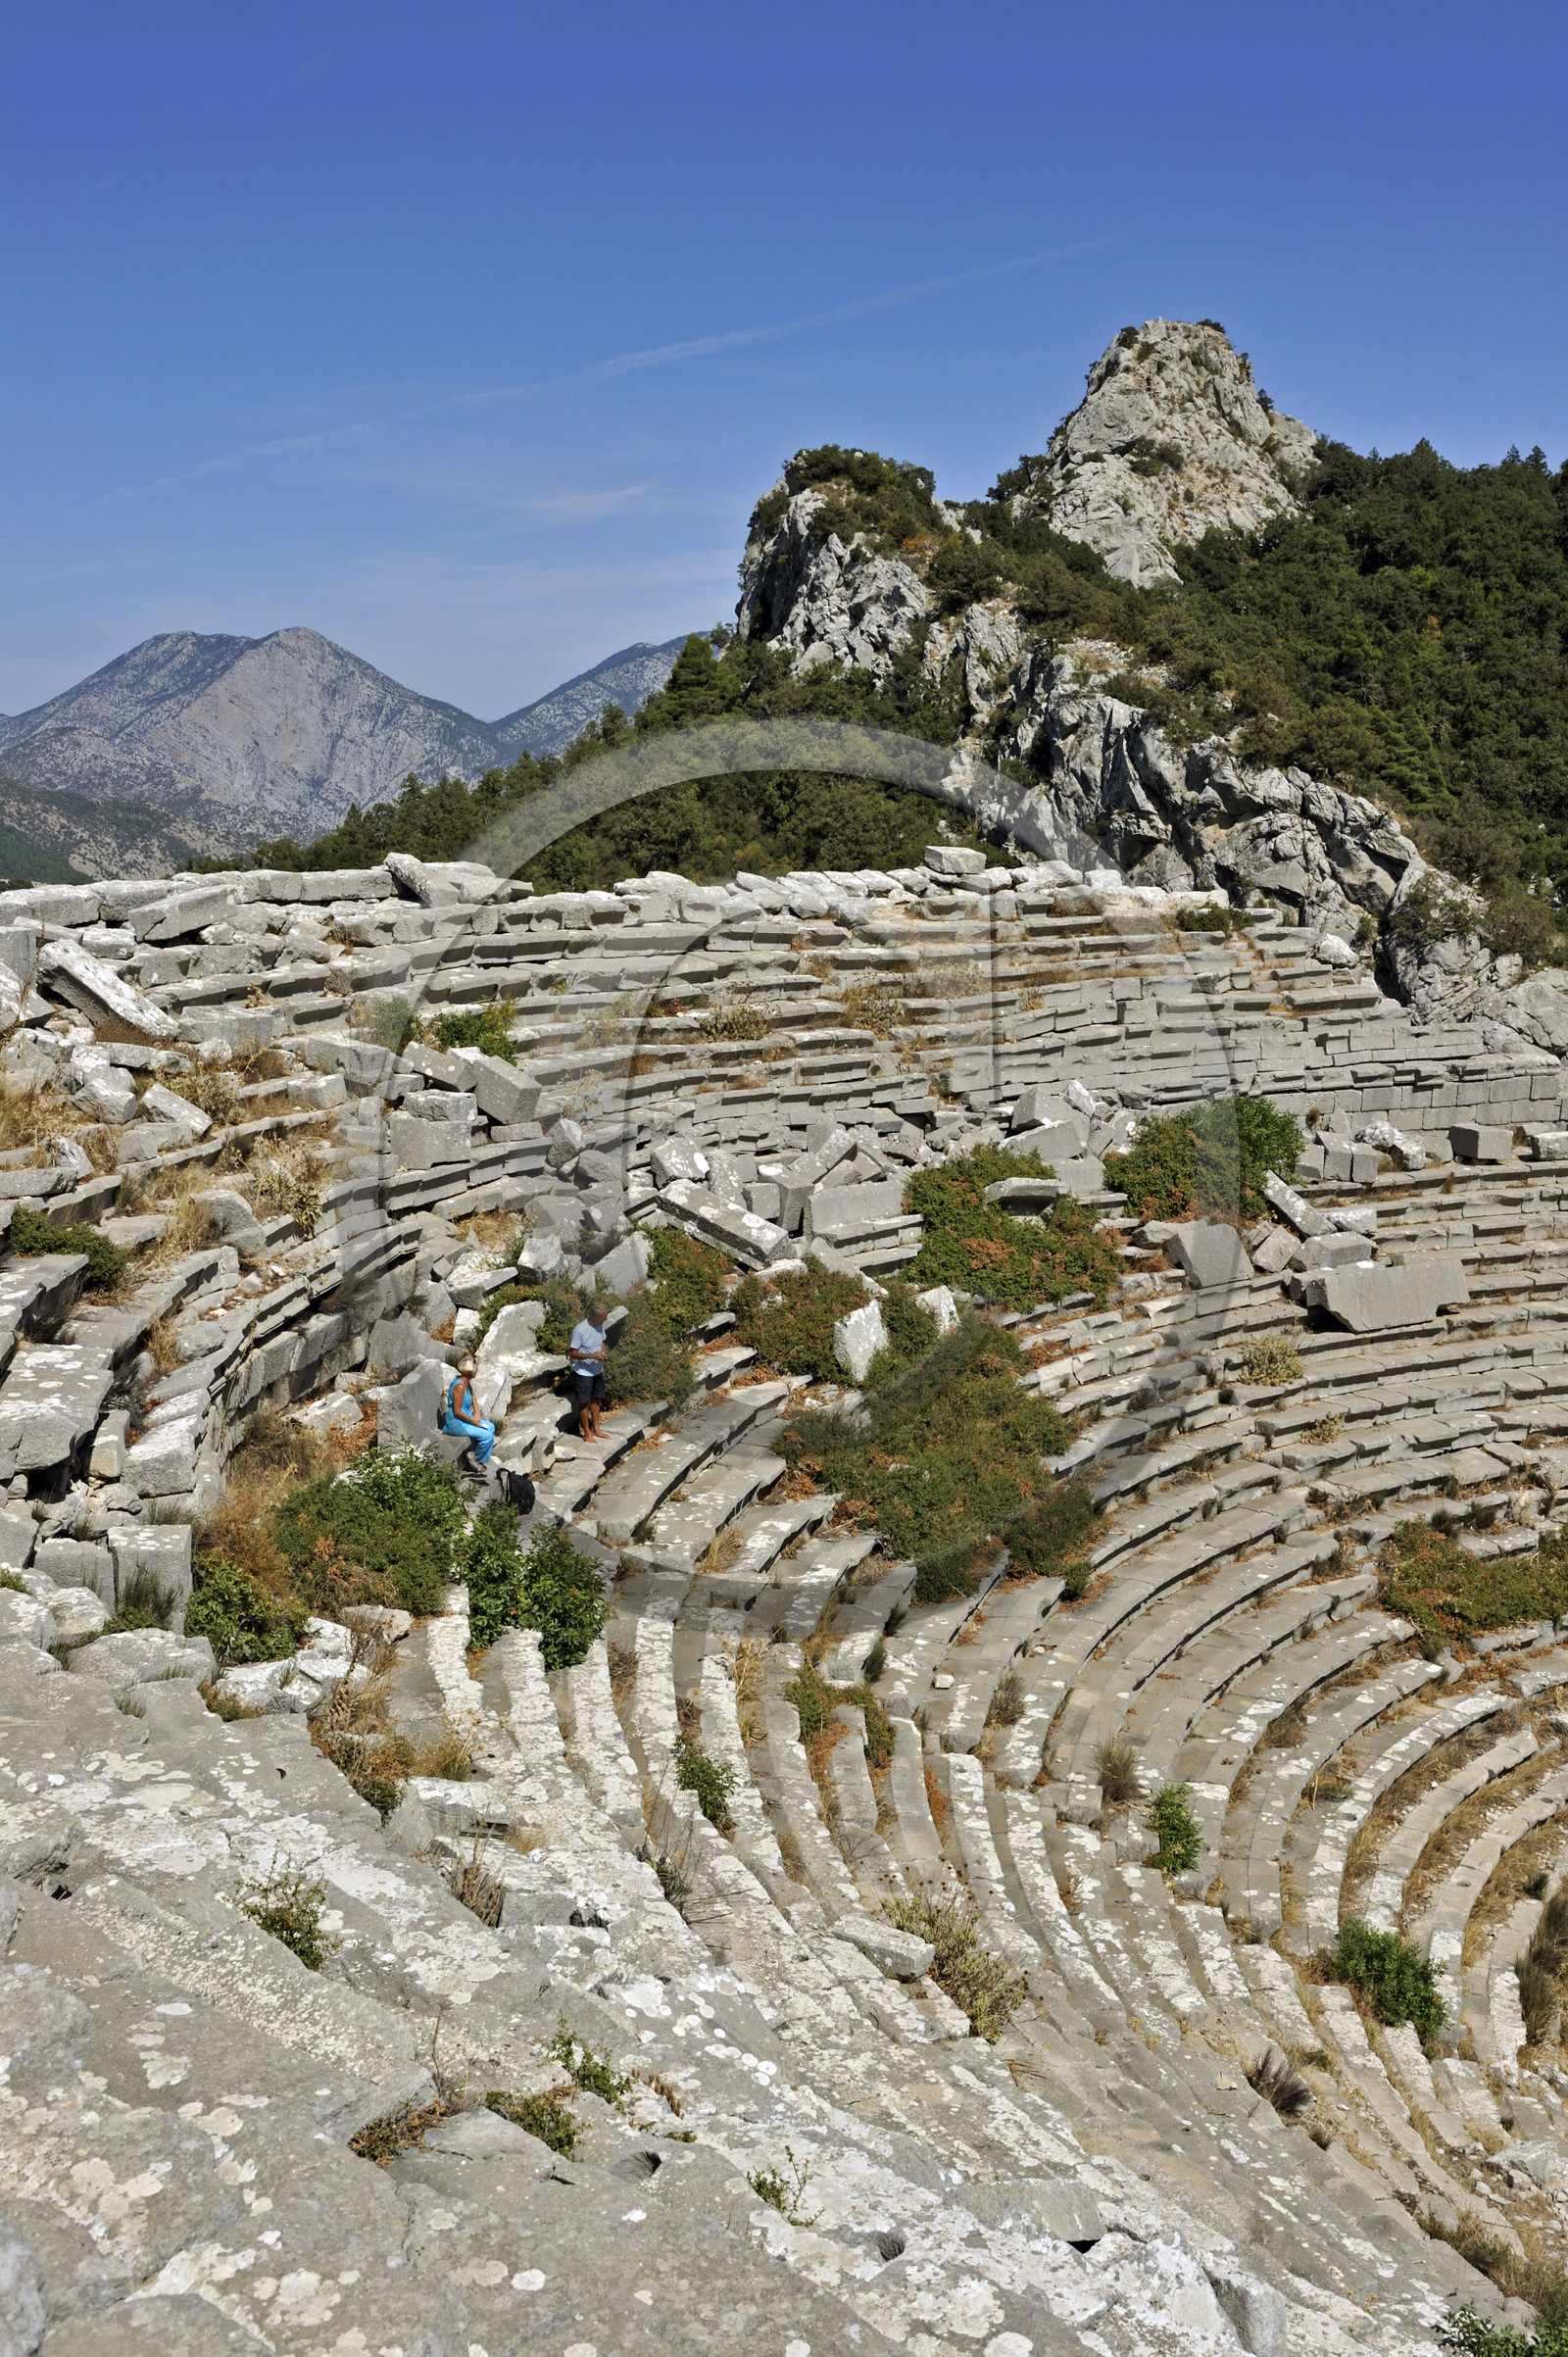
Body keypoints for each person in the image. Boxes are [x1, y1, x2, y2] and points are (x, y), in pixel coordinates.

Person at [442, 1356, 495, 1475]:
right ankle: (475, 1459)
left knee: (491, 1427)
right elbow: (457, 1411)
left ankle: (472, 1452)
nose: (477, 1370)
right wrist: (474, 1421)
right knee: (487, 1437)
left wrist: (477, 1412)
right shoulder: (460, 1386)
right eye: (476, 1368)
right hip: (457, 1423)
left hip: (466, 1419)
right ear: (470, 1370)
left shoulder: (465, 1382)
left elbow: (473, 1395)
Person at [568, 1300, 611, 1441]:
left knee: (596, 1399)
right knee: (584, 1402)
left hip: (597, 1370)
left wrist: (603, 1353)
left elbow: (601, 1341)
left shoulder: (600, 1326)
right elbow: (572, 1353)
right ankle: (586, 1433)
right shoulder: (580, 1330)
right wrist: (592, 1355)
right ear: (596, 1317)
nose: (606, 1319)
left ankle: (596, 1429)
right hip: (584, 1373)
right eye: (604, 1317)